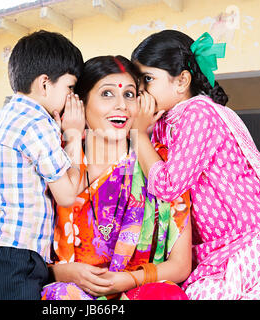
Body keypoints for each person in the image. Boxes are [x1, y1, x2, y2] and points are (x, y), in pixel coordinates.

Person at [131, 30, 260, 299]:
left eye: (148, 79)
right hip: (217, 246)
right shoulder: (164, 123)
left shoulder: (198, 114)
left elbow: (167, 185)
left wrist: (138, 135)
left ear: (182, 81)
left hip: (256, 235)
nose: (141, 91)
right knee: (202, 291)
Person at [41, 55, 192, 300]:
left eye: (129, 94)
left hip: (140, 290)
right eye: (107, 94)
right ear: (80, 103)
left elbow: (181, 265)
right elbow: (24, 258)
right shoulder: (55, 163)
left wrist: (128, 279)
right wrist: (64, 273)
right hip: (73, 292)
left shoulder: (161, 168)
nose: (121, 105)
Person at [0, 30, 86, 300]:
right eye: (70, 88)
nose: (72, 98)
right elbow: (68, 195)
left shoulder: (11, 113)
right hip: (16, 258)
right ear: (45, 84)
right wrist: (73, 134)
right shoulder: (37, 122)